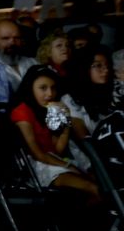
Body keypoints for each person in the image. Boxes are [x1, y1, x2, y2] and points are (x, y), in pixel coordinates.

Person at [9, 68, 99, 198]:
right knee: (93, 189)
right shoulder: (22, 111)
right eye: (43, 88)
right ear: (31, 88)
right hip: (36, 166)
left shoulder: (47, 109)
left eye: (53, 88)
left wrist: (66, 120)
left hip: (54, 160)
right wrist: (69, 166)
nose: (50, 93)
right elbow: (38, 154)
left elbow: (57, 149)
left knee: (103, 184)